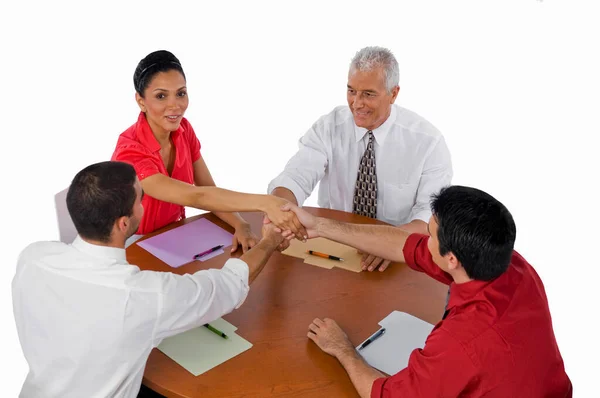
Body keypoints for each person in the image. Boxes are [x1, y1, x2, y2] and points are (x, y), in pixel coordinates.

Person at [12, 161, 285, 398]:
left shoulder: (32, 257)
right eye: (140, 200)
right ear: (123, 224)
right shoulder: (142, 296)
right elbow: (227, 285)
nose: (144, 205)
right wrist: (270, 240)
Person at [283, 186, 572, 397]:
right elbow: (404, 246)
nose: (424, 238)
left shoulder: (462, 341)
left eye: (431, 235)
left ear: (451, 259)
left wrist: (343, 350)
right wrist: (319, 225)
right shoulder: (512, 266)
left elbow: (386, 395)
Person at [268, 46, 452, 272]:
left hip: (397, 252)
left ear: (393, 93)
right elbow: (296, 177)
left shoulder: (428, 142)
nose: (356, 103)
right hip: (334, 242)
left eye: (368, 94)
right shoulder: (329, 127)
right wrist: (280, 209)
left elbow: (430, 216)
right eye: (351, 91)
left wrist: (385, 243)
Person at [112, 50, 306, 250]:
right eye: (161, 96)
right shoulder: (130, 152)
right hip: (133, 244)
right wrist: (266, 202)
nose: (175, 105)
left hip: (172, 236)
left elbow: (208, 189)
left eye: (181, 93)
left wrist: (241, 225)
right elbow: (197, 196)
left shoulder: (183, 130)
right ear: (141, 101)